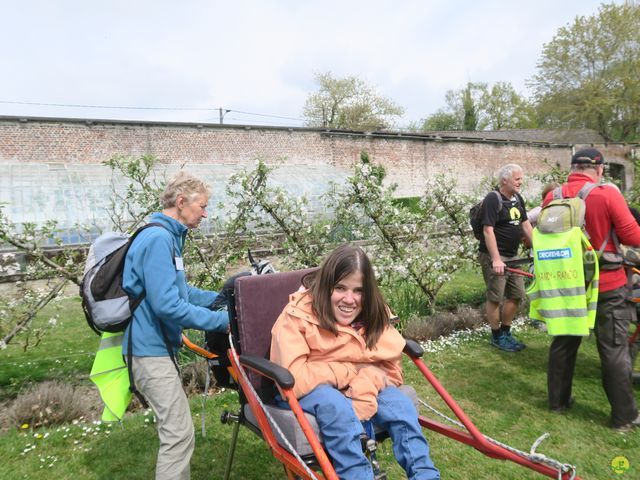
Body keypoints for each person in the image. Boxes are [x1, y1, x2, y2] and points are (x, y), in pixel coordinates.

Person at [270, 244, 440, 480]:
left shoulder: (374, 313)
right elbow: (294, 380)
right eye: (340, 288)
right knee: (334, 405)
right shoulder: (296, 316)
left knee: (400, 405)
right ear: (325, 286)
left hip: (363, 382)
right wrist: (352, 371)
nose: (349, 300)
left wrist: (366, 380)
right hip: (309, 389)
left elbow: (391, 372)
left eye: (358, 291)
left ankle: (425, 475)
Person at [122, 171, 230, 479]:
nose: (205, 213)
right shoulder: (158, 239)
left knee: (176, 432)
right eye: (202, 206)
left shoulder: (168, 238)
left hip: (155, 348)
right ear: (181, 202)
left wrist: (224, 299)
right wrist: (222, 322)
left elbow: (181, 292)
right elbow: (167, 306)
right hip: (148, 352)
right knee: (179, 435)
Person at [544, 148, 640, 432]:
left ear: (572, 167)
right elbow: (632, 236)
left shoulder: (554, 196)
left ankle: (557, 402)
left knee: (563, 343)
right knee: (613, 348)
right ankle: (624, 417)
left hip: (567, 284)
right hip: (608, 284)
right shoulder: (607, 193)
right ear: (599, 169)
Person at [478, 164, 533, 352]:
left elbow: (526, 225)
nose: (521, 182)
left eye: (521, 178)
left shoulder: (518, 199)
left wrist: (539, 251)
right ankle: (496, 336)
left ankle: (505, 332)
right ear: (504, 180)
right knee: (495, 297)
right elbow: (487, 230)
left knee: (517, 294)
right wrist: (496, 259)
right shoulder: (493, 199)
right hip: (495, 256)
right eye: (517, 179)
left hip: (513, 255)